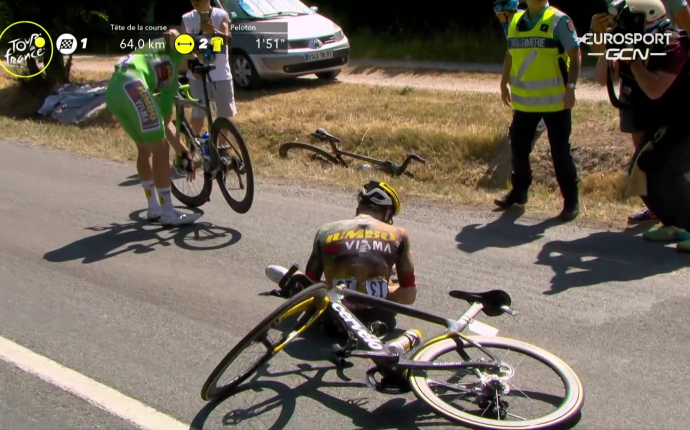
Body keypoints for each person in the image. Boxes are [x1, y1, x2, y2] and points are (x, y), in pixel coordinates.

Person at [595, 0, 690, 251]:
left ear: (648, 18)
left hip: (684, 121)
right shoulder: (637, 43)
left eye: (628, 21)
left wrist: (633, 61)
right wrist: (605, 42)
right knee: (642, 173)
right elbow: (601, 77)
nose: (622, 26)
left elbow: (655, 89)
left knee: (669, 172)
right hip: (668, 121)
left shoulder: (673, 44)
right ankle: (675, 223)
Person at [105, 29, 202, 227]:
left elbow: (162, 125)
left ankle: (153, 207)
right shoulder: (171, 69)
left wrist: (183, 151)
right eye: (191, 63)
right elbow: (165, 122)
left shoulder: (158, 50)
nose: (189, 69)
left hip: (114, 89)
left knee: (144, 148)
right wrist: (183, 151)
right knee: (161, 148)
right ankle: (168, 212)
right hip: (132, 85)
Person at [497, 0, 582, 221]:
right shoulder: (515, 20)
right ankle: (519, 191)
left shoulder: (558, 20)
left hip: (555, 101)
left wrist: (571, 87)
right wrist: (503, 81)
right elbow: (510, 54)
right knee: (518, 147)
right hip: (525, 103)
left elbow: (575, 55)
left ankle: (571, 201)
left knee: (560, 152)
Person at [303, 180, 417, 334]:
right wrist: (375, 290)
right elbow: (409, 295)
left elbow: (309, 284)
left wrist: (336, 285)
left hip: (331, 317)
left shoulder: (325, 230)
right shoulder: (399, 234)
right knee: (393, 285)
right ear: (387, 213)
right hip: (375, 319)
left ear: (358, 208)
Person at [181, 0, 236, 136]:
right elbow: (183, 46)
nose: (194, 2)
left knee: (223, 116)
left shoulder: (221, 15)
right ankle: (193, 146)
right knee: (198, 114)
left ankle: (221, 147)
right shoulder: (187, 18)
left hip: (220, 74)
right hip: (197, 75)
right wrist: (193, 67)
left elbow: (228, 40)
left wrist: (213, 32)